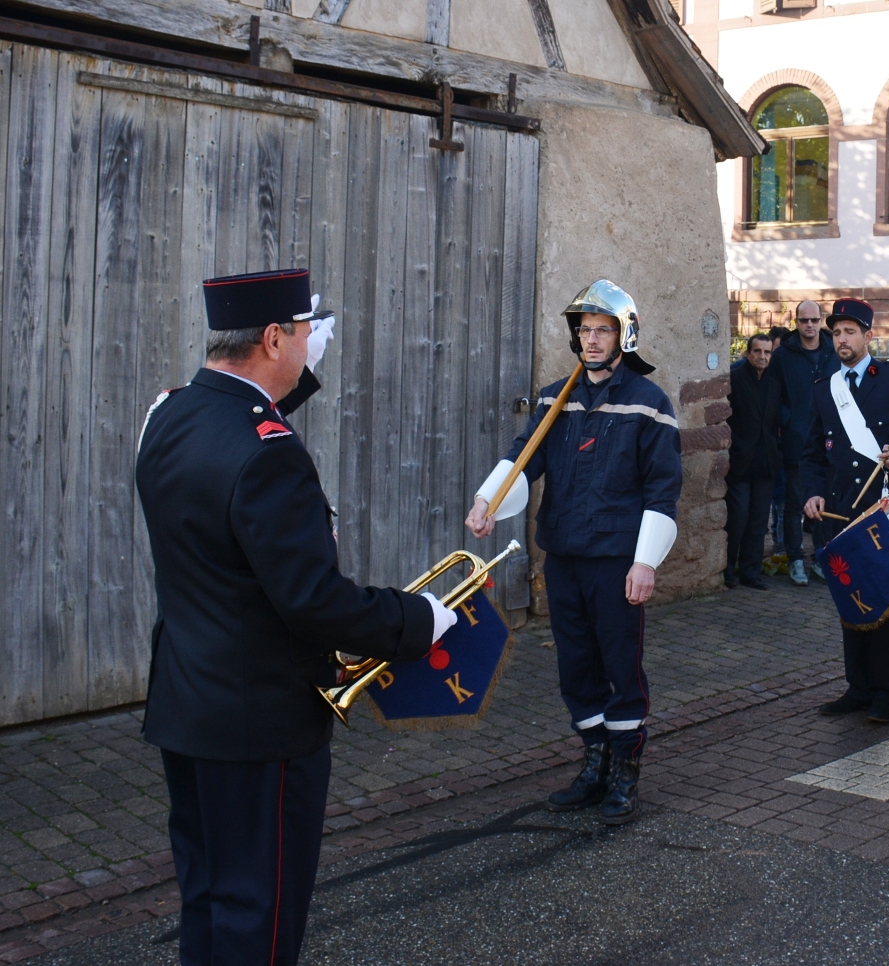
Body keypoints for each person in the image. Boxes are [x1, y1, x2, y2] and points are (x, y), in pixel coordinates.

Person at [136, 269, 456, 966]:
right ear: (274, 337)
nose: (311, 347)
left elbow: (231, 428)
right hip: (261, 725)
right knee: (262, 912)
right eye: (304, 334)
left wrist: (292, 379)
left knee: (210, 897)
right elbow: (314, 602)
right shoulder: (271, 454)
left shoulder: (166, 413)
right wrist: (418, 621)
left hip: (188, 706)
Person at [467, 279, 681, 826]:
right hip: (562, 555)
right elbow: (525, 458)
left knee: (620, 666)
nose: (590, 340)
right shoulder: (553, 397)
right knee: (575, 667)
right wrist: (487, 501)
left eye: (602, 330)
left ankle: (625, 773)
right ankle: (595, 760)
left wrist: (645, 562)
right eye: (584, 330)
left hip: (616, 562)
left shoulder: (650, 404)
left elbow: (662, 488)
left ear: (623, 336)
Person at [803, 297, 889, 723]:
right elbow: (810, 454)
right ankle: (857, 688)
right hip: (843, 511)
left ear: (868, 336)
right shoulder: (825, 389)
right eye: (836, 333)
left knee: (887, 605)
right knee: (850, 600)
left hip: (886, 509)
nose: (842, 340)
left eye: (849, 332)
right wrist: (811, 493)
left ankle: (886, 694)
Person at [774, 300, 840, 586]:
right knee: (794, 505)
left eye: (814, 320)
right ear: (796, 322)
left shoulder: (833, 350)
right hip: (797, 442)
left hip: (831, 442)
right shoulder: (783, 356)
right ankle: (796, 559)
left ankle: (821, 559)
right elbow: (774, 398)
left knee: (826, 503)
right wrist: (790, 422)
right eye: (804, 321)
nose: (809, 326)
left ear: (821, 320)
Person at [725, 333, 784, 590]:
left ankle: (751, 572)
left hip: (766, 463)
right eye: (757, 351)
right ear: (748, 353)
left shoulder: (775, 383)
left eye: (767, 352)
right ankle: (728, 570)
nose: (762, 357)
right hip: (740, 462)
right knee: (737, 519)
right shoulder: (734, 379)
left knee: (759, 521)